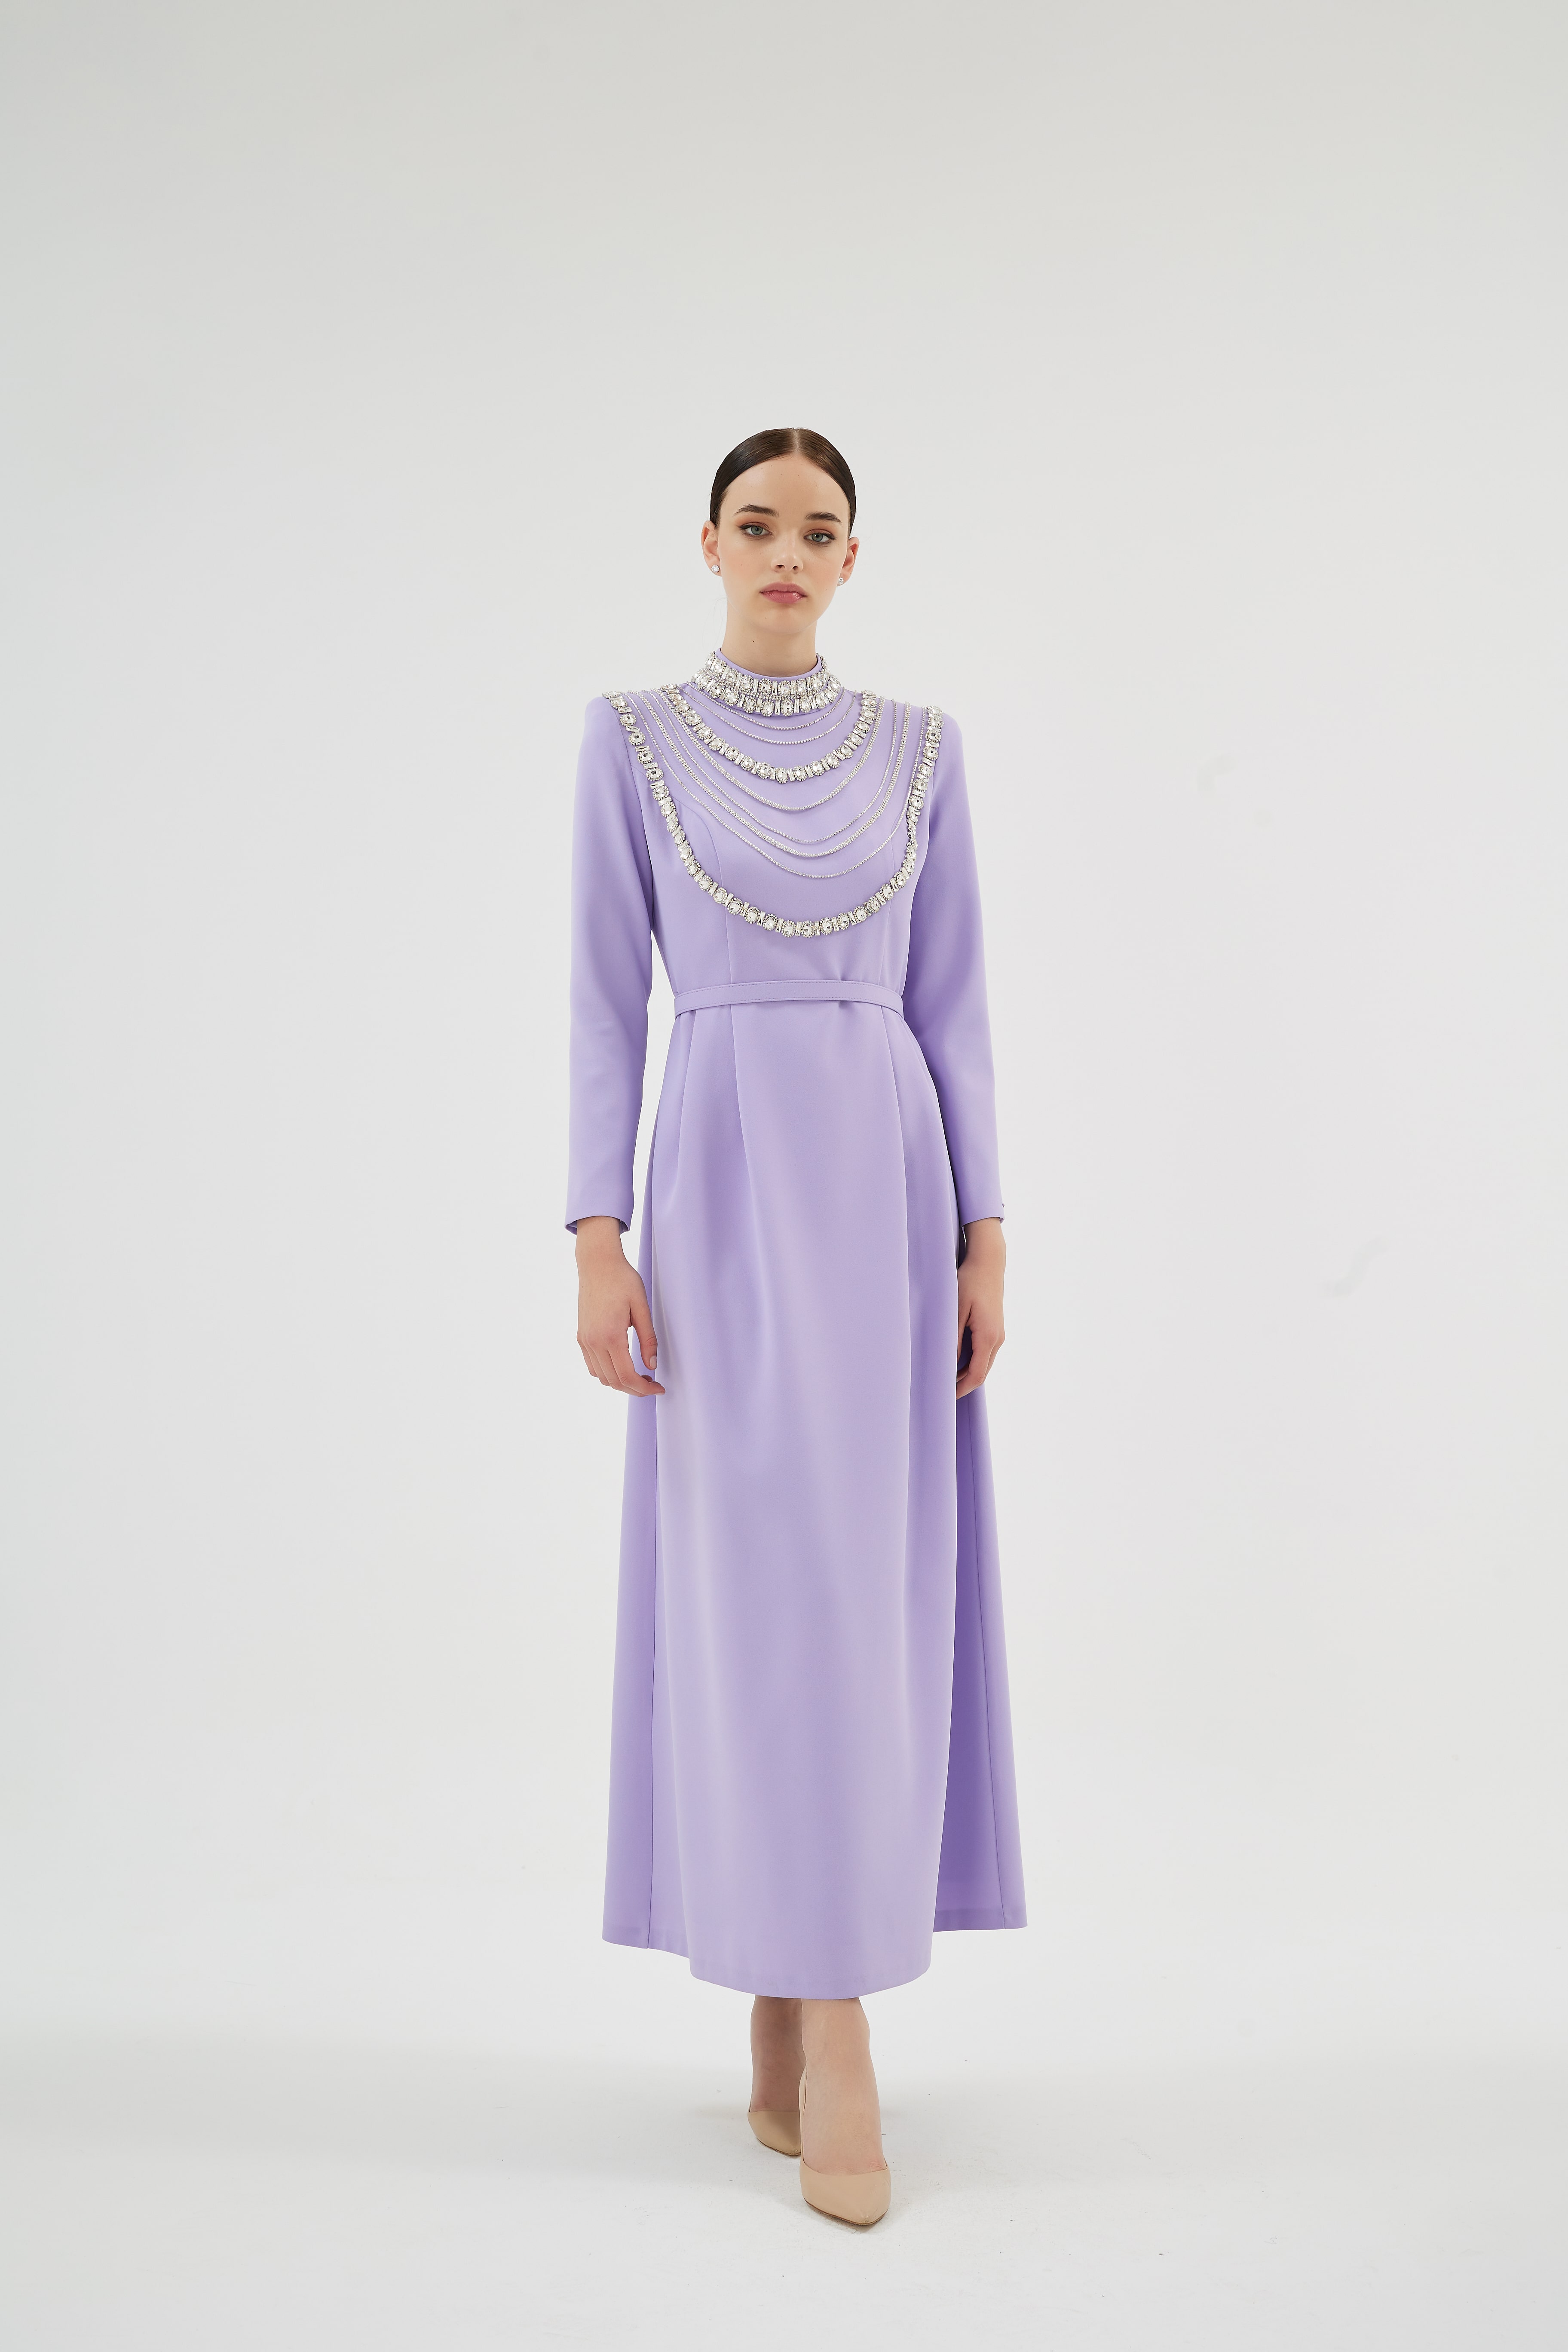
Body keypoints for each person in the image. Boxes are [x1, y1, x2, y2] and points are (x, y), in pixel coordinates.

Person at [567, 426, 1025, 2227]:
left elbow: (958, 1000)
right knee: (760, 1594)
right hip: (720, 1181)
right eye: (755, 524)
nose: (785, 551)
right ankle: (819, 2016)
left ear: (851, 558)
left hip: (890, 1191)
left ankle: (806, 2012)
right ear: (707, 543)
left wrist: (989, 1231)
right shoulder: (628, 740)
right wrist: (595, 1236)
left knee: (863, 1590)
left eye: (817, 529)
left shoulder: (923, 749)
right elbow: (603, 1000)